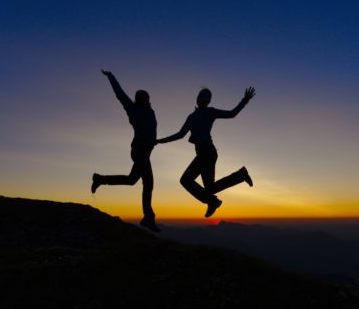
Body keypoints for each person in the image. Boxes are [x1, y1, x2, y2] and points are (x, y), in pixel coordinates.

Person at [157, 87, 256, 217]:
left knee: (187, 180)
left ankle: (213, 200)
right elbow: (180, 134)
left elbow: (231, 114)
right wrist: (160, 141)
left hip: (208, 152)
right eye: (200, 97)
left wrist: (245, 100)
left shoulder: (210, 112)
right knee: (204, 186)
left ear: (208, 101)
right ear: (197, 98)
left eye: (205, 98)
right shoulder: (191, 117)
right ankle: (238, 178)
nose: (202, 100)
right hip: (201, 153)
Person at [91, 70, 160, 232]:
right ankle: (148, 219)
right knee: (148, 182)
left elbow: (151, 131)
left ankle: (100, 179)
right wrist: (111, 77)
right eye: (140, 98)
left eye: (144, 98)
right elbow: (120, 94)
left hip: (146, 150)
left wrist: (153, 141)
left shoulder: (151, 112)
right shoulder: (132, 109)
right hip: (138, 150)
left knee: (131, 180)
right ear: (137, 99)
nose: (142, 100)